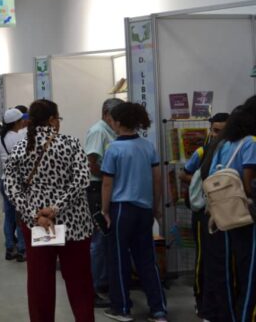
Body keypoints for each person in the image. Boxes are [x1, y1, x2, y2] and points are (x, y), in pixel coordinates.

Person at [4, 99, 94, 322]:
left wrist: (34, 214)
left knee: (41, 284)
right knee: (79, 283)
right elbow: (82, 180)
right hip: (74, 224)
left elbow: (10, 185)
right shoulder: (71, 144)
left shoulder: (21, 148)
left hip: (41, 225)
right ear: (53, 120)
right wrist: (56, 207)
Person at [100, 102, 167, 322]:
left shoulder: (114, 149)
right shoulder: (148, 147)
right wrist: (155, 207)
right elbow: (157, 179)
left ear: (118, 122)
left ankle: (122, 308)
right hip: (144, 209)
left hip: (121, 210)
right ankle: (158, 309)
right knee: (147, 259)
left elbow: (107, 183)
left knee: (119, 260)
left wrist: (104, 210)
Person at [206, 101, 256, 322]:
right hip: (247, 215)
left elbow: (211, 177)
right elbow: (248, 183)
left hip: (223, 216)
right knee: (249, 274)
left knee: (229, 271)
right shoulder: (251, 143)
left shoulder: (223, 144)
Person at [177, 112, 228, 318]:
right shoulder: (202, 151)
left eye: (223, 131)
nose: (218, 135)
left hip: (224, 212)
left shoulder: (234, 149)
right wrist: (203, 183)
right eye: (215, 130)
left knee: (220, 259)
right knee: (203, 258)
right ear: (210, 130)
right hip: (203, 213)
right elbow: (183, 173)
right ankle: (201, 301)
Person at [84, 98, 123, 308]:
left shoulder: (111, 131)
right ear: (106, 114)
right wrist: (110, 176)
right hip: (97, 188)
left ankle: (103, 281)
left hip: (107, 187)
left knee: (105, 237)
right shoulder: (99, 131)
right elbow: (92, 163)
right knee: (98, 239)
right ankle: (93, 287)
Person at [0, 108, 27, 262]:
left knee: (8, 216)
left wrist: (2, 178)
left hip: (5, 180)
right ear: (16, 122)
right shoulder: (21, 137)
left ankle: (10, 247)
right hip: (19, 182)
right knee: (21, 215)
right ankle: (22, 249)